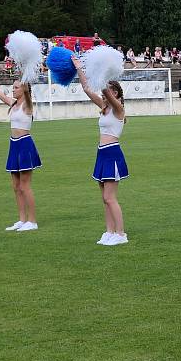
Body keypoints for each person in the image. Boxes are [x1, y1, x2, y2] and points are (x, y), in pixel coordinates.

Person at [73, 58, 130, 246]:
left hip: (113, 153)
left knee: (110, 197)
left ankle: (121, 234)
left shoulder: (118, 109)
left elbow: (103, 90)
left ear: (115, 93)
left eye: (108, 91)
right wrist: (79, 68)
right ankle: (109, 231)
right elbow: (87, 89)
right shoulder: (104, 108)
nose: (104, 93)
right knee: (104, 198)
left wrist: (101, 74)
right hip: (102, 153)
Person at [0, 62, 41, 232]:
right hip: (14, 145)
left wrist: (24, 71)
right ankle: (21, 219)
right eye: (13, 87)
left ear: (24, 90)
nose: (13, 89)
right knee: (16, 186)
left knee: (25, 185)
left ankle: (32, 221)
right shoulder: (13, 104)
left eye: (16, 87)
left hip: (25, 144)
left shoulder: (28, 105)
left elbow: (26, 89)